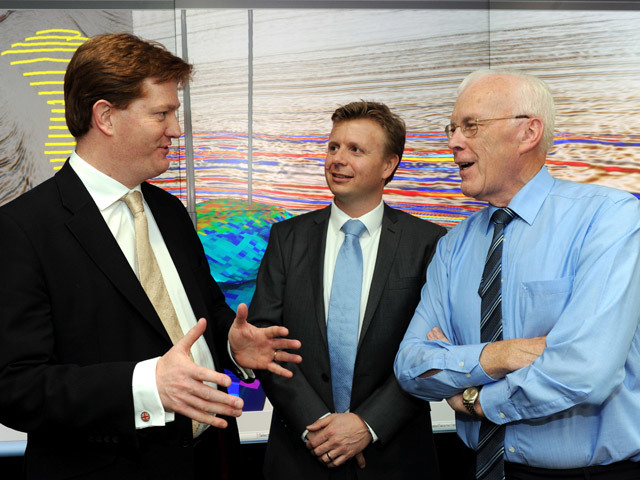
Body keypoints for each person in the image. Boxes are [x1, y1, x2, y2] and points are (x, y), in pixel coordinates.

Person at [0, 32, 301, 480]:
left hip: (211, 459)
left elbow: (201, 317)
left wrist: (232, 345)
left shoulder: (168, 210)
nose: (176, 130)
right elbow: (15, 387)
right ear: (105, 116)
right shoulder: (22, 229)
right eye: (162, 113)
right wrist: (145, 386)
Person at [394, 69, 640, 480]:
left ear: (528, 133)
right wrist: (500, 356)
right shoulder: (453, 246)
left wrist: (473, 397)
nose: (454, 141)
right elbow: (412, 365)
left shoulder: (610, 218)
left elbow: (585, 370)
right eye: (452, 128)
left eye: (470, 126)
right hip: (476, 468)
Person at [249, 100, 445, 480]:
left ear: (388, 165)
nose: (338, 159)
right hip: (300, 455)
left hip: (395, 455)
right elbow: (265, 341)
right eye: (334, 146)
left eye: (355, 150)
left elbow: (433, 350)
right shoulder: (286, 238)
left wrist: (367, 425)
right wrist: (317, 425)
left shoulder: (429, 242)